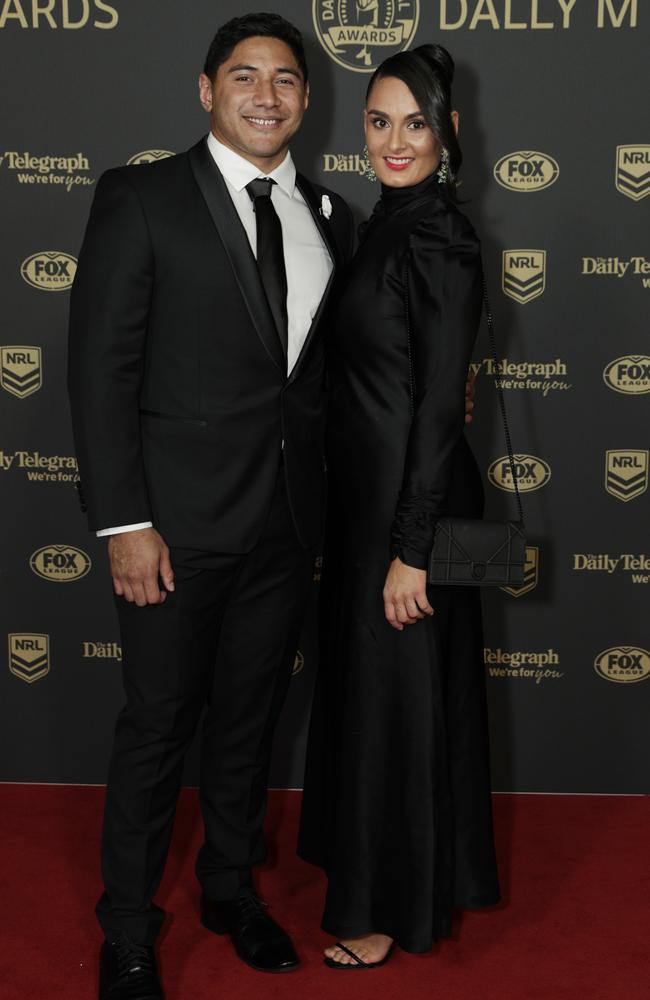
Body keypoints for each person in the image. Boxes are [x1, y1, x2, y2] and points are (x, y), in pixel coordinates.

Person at [67, 13, 355, 998]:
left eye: (285, 79)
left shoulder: (330, 211)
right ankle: (130, 930)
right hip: (171, 529)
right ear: (205, 90)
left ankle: (230, 889)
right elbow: (100, 372)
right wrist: (122, 522)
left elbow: (315, 384)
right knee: (157, 727)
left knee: (249, 722)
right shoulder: (140, 198)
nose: (266, 94)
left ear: (306, 101)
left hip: (284, 527)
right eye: (244, 76)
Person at [298, 44, 500, 969]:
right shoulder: (385, 221)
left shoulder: (442, 238)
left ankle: (386, 912)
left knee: (400, 702)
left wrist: (412, 547)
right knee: (380, 699)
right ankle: (389, 870)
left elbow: (435, 404)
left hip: (409, 508)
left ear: (448, 132)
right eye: (378, 122)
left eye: (414, 123)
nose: (393, 140)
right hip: (369, 503)